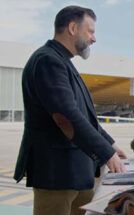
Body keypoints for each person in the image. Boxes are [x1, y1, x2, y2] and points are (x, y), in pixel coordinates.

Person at [13, 5, 127, 215]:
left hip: (75, 172)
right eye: (90, 31)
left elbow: (83, 115)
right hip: (58, 175)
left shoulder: (62, 61)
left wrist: (109, 143)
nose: (94, 39)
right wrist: (105, 153)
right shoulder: (48, 60)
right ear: (73, 28)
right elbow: (66, 115)